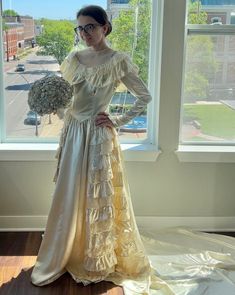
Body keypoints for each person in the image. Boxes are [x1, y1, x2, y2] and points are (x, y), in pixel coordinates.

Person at [31, 4, 153, 293]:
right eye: (80, 27)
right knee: (70, 191)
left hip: (98, 136)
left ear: (104, 28)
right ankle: (66, 250)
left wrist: (116, 120)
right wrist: (60, 112)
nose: (85, 33)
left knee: (95, 194)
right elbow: (66, 97)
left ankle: (95, 258)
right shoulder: (74, 57)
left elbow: (144, 96)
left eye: (90, 27)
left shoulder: (117, 61)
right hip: (73, 133)